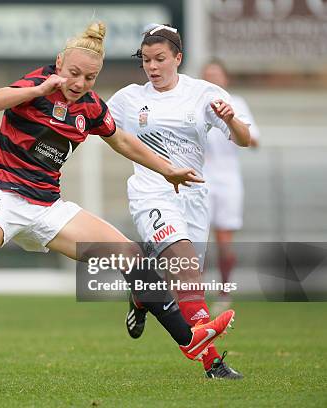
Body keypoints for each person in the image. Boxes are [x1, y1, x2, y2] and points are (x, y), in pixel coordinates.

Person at [0, 21, 235, 366]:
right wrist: (38, 89)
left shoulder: (90, 107)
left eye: (89, 77)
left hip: (46, 207)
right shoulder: (37, 84)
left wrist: (167, 168)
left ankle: (190, 342)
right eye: (73, 73)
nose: (79, 82)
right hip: (4, 196)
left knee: (131, 255)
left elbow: (120, 139)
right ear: (60, 63)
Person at [107, 24, 251, 379]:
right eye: (145, 60)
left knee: (184, 283)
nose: (152, 67)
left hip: (194, 197)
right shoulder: (128, 99)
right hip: (151, 193)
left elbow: (244, 139)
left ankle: (142, 295)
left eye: (160, 59)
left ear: (178, 58)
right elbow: (96, 124)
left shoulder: (203, 94)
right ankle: (212, 362)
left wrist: (231, 121)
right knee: (185, 267)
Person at [201, 59, 260, 314]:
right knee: (196, 240)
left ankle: (224, 293)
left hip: (227, 180)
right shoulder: (195, 101)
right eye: (208, 76)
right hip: (198, 179)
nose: (213, 80)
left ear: (225, 79)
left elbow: (253, 139)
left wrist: (232, 121)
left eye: (217, 75)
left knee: (224, 240)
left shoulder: (236, 103)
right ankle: (194, 295)